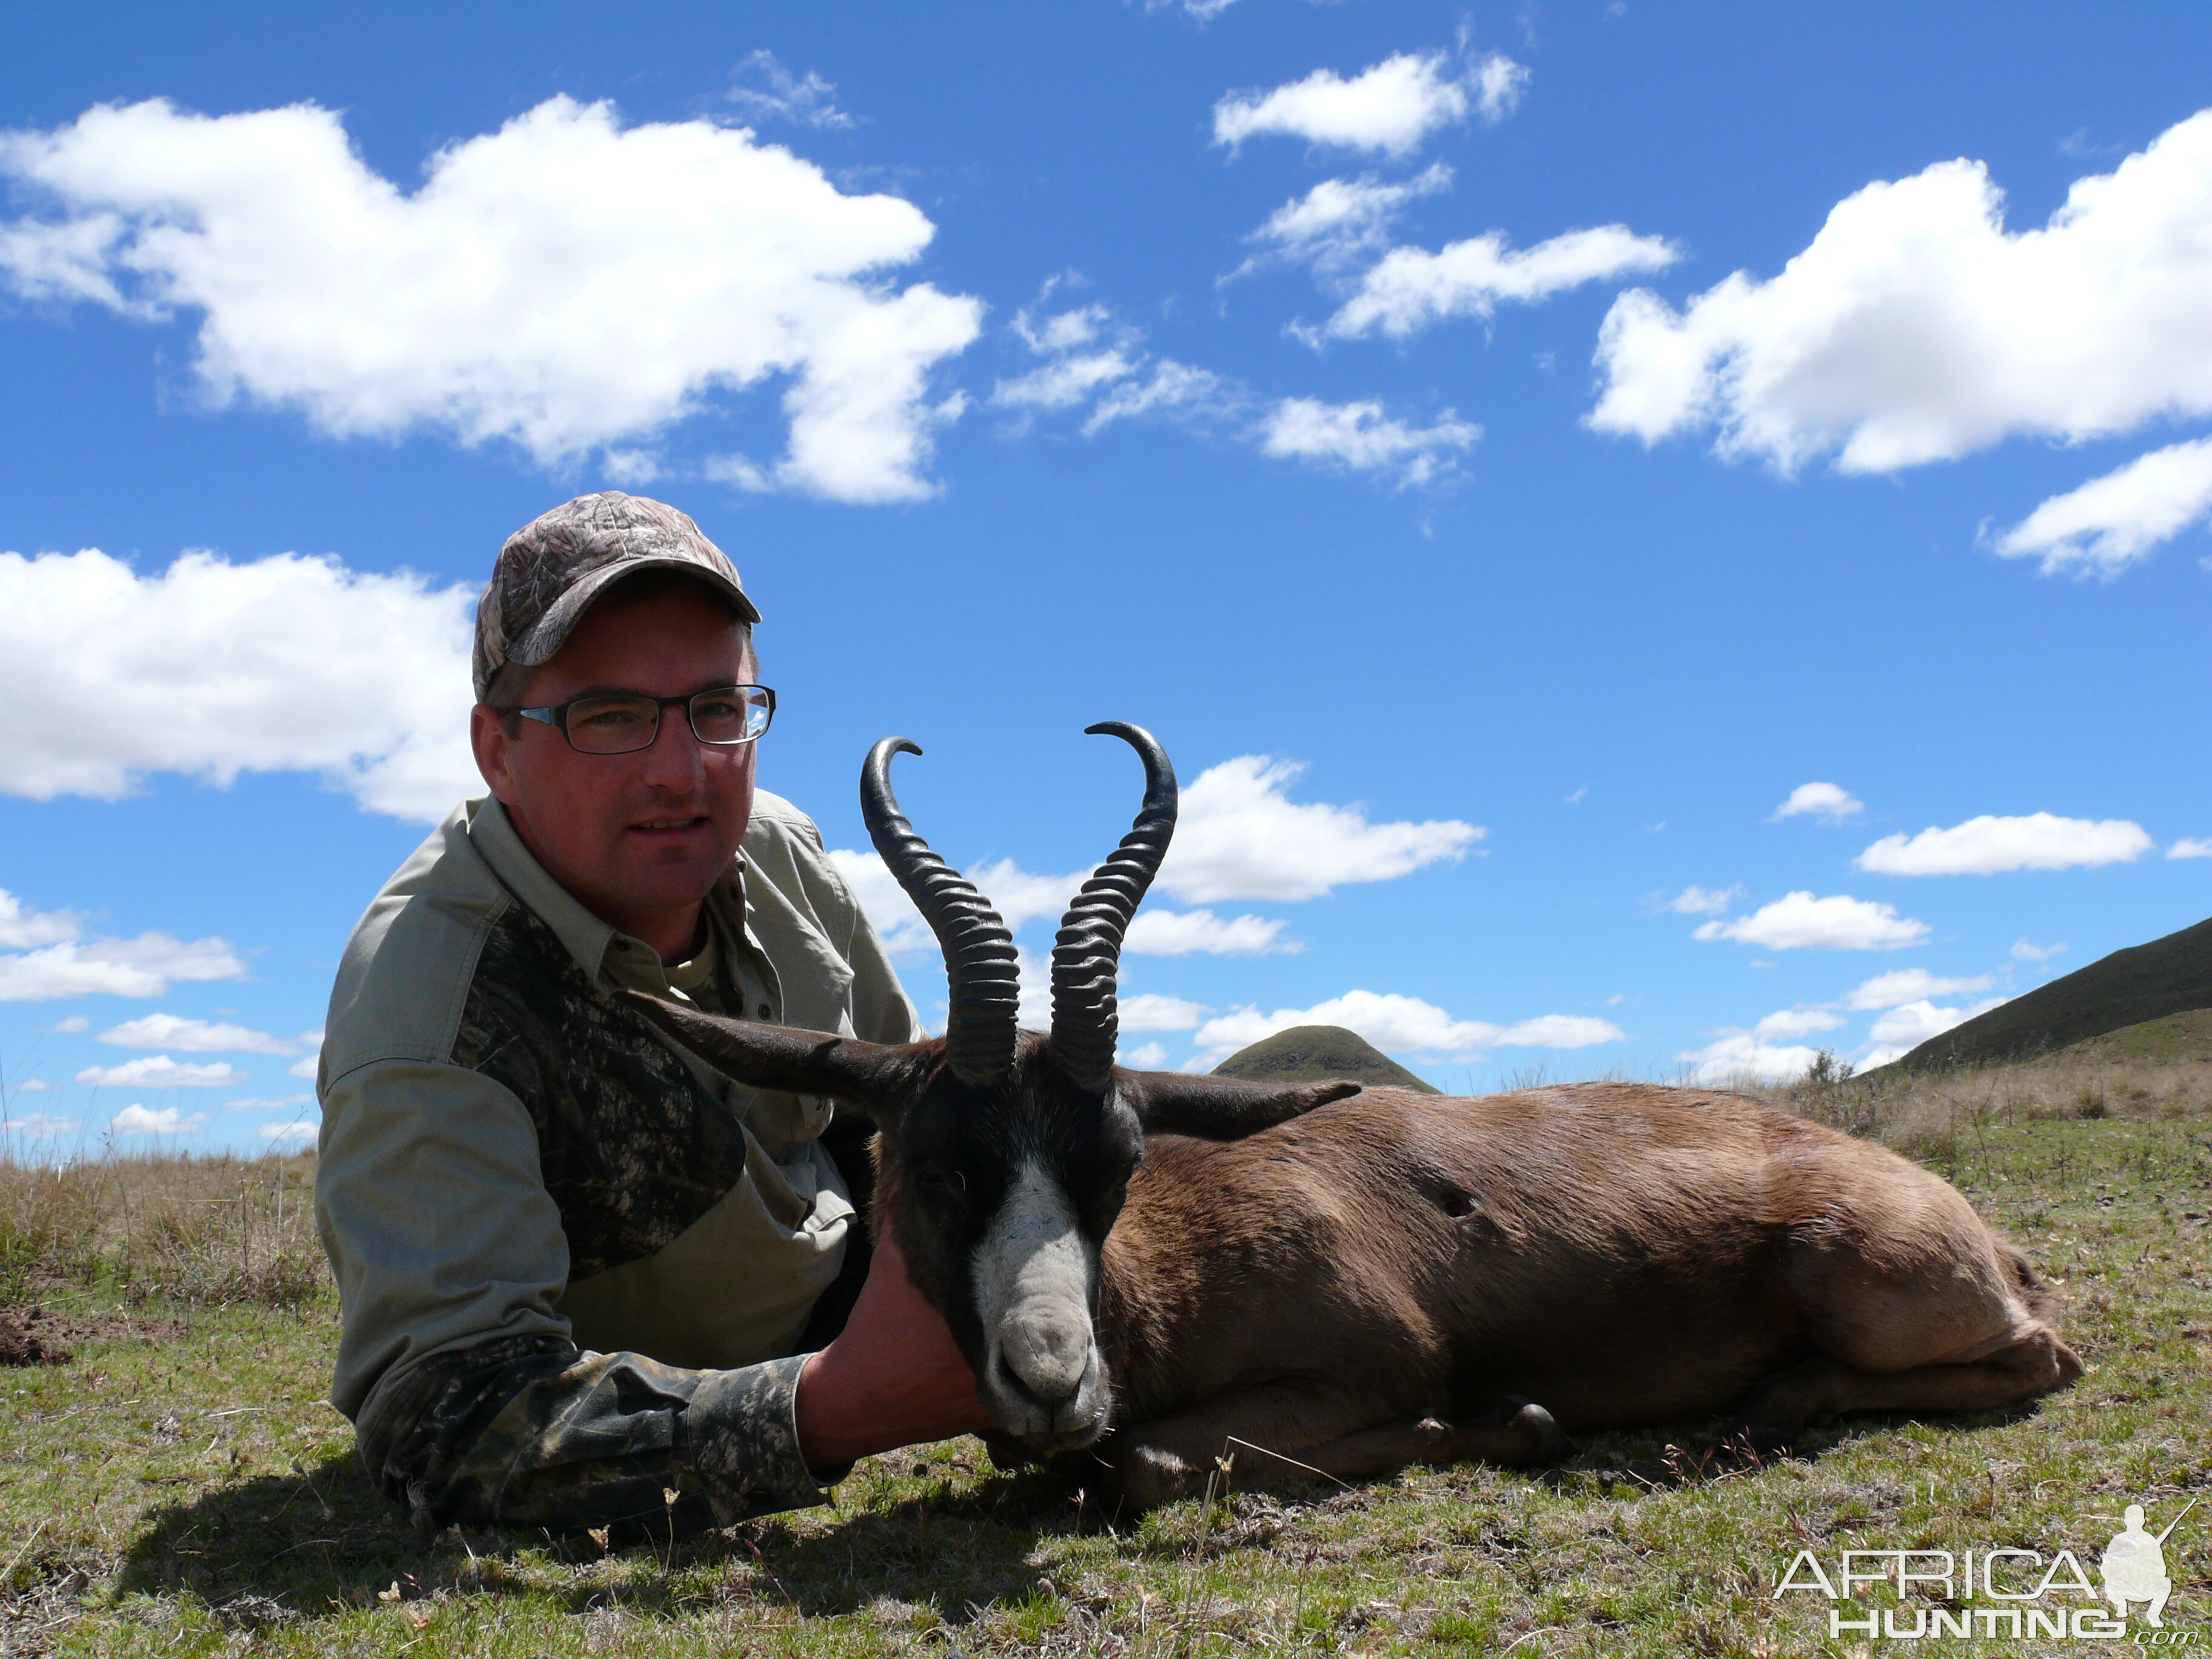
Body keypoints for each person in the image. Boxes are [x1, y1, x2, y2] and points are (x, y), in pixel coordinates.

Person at [314, 492, 992, 1537]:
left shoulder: (780, 852)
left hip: (862, 1303)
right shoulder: (432, 999)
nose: (684, 773)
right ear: (497, 749)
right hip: (771, 1391)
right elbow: (443, 1419)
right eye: (611, 718)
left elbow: (907, 1123)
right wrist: (831, 1411)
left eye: (717, 710)